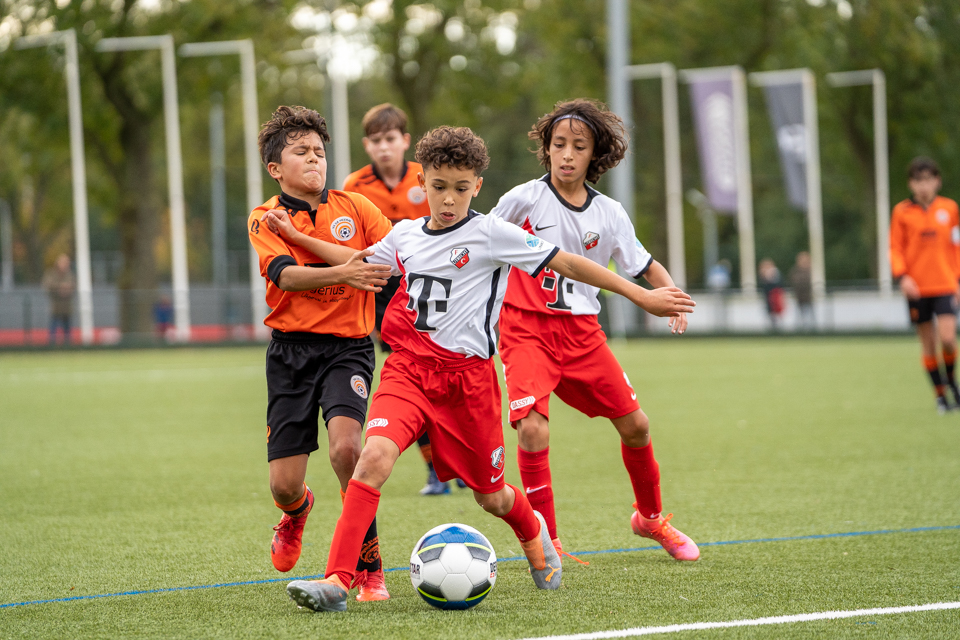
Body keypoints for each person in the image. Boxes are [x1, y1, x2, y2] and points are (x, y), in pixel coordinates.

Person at [260, 125, 695, 612]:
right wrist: (298, 237)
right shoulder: (404, 235)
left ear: (478, 187)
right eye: (439, 187)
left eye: (461, 189)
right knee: (372, 459)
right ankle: (339, 582)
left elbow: (568, 264)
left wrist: (642, 295)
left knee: (491, 497)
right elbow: (360, 262)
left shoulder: (492, 233)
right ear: (422, 182)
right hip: (408, 371)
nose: (449, 200)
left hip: (469, 385)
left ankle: (535, 538)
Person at [489, 98, 700, 565]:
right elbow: (482, 244)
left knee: (637, 425)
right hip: (525, 330)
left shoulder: (610, 213)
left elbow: (644, 265)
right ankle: (548, 541)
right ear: (546, 150)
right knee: (532, 430)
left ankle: (650, 518)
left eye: (577, 146)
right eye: (558, 144)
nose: (566, 154)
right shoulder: (523, 199)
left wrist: (672, 299)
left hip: (583, 335)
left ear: (594, 155)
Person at [246, 105, 395, 602]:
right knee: (284, 485)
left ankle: (368, 568)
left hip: (348, 349)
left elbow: (390, 262)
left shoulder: (358, 209)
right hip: (289, 353)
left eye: (319, 152)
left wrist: (361, 270)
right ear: (275, 168)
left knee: (348, 451)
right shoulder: (265, 217)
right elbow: (285, 276)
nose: (314, 160)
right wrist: (346, 273)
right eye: (301, 152)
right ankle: (296, 513)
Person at [342, 102, 461, 496]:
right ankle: (437, 470)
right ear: (366, 145)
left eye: (390, 139)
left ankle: (456, 461)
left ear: (405, 141)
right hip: (379, 292)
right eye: (376, 141)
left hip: (428, 289)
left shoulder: (427, 179)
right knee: (412, 377)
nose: (384, 147)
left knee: (447, 378)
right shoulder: (353, 187)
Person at [889, 156, 960, 414]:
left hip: (944, 284)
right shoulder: (902, 212)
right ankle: (940, 396)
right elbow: (895, 247)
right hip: (917, 288)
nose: (923, 186)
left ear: (937, 181)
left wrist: (958, 280)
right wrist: (902, 276)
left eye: (928, 179)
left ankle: (951, 381)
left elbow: (957, 246)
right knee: (928, 344)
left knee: (949, 339)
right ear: (911, 183)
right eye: (918, 180)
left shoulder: (950, 209)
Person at [42, 253, 74, 345]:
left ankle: (68, 347)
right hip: (55, 307)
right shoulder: (51, 274)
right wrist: (59, 288)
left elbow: (73, 286)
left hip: (66, 307)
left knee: (67, 330)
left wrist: (68, 289)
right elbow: (47, 286)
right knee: (53, 328)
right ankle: (51, 346)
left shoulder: (70, 274)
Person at [789, 251, 814, 331]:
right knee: (799, 317)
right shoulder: (796, 271)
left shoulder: (810, 271)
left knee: (810, 317)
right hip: (799, 297)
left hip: (808, 297)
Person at [759, 258, 784, 331]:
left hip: (775, 296)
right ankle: (773, 328)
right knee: (770, 313)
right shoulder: (763, 274)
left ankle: (779, 328)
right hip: (768, 297)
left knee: (777, 312)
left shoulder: (776, 273)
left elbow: (779, 285)